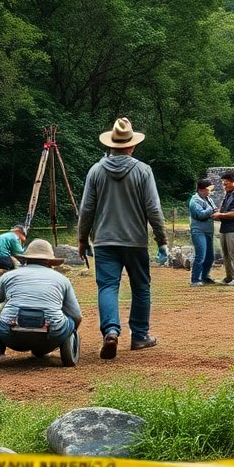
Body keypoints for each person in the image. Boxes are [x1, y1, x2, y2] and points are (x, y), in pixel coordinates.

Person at [77, 117, 168, 360]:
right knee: (141, 287)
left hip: (105, 241)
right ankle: (139, 336)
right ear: (132, 145)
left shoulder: (96, 171)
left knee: (107, 286)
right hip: (136, 240)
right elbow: (153, 209)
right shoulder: (143, 171)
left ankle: (110, 331)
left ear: (111, 144)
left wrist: (82, 239)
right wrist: (162, 240)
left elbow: (86, 208)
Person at [0, 239, 82, 369]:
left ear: (26, 260)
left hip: (10, 335)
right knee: (69, 321)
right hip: (51, 336)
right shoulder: (63, 280)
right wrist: (67, 330)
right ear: (50, 262)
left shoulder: (9, 276)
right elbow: (76, 315)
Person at [214, 170, 234, 287]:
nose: (224, 185)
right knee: (226, 255)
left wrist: (220, 215)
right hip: (225, 228)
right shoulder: (228, 194)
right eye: (223, 183)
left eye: (226, 183)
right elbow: (224, 210)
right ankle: (229, 277)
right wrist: (218, 213)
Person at [188, 178, 217, 286]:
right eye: (208, 189)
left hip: (208, 230)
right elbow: (201, 215)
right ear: (201, 189)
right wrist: (210, 209)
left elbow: (215, 211)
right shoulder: (194, 201)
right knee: (201, 255)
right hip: (198, 231)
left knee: (210, 257)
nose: (210, 192)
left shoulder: (208, 198)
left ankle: (205, 276)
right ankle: (195, 279)